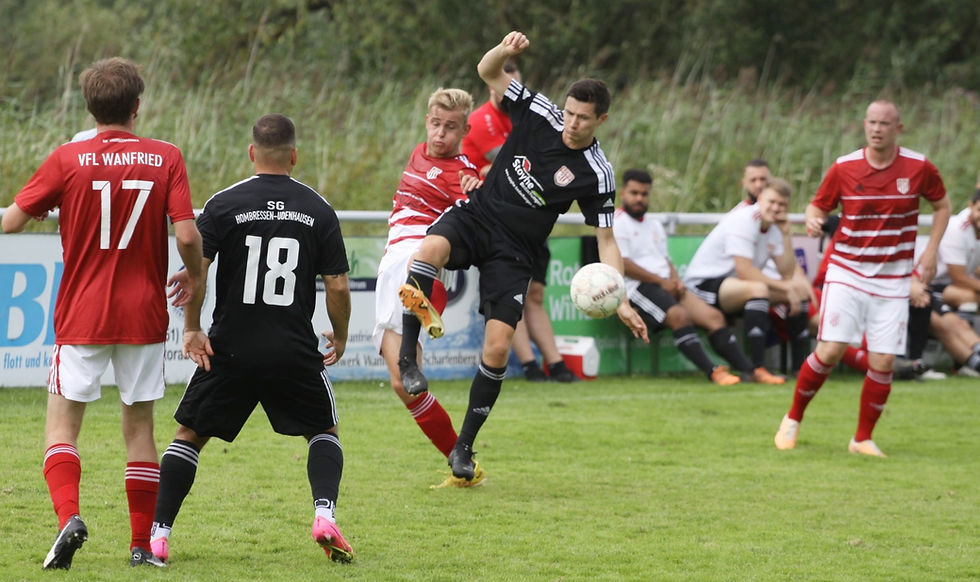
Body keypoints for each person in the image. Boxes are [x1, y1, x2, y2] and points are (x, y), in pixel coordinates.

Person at [397, 31, 648, 482]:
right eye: (569, 113)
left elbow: (607, 240)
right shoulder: (539, 111)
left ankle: (464, 449)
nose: (571, 123)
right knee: (427, 250)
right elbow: (487, 71)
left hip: (515, 254)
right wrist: (505, 51)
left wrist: (622, 297)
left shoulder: (597, 173)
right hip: (479, 216)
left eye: (583, 119)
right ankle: (408, 362)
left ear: (601, 119)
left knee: (496, 348)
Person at [1, 57, 205, 569]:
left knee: (61, 429)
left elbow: (11, 222)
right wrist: (196, 273)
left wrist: (52, 204)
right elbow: (185, 234)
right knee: (139, 430)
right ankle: (141, 547)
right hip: (142, 314)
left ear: (89, 107)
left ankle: (69, 517)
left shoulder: (67, 158)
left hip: (83, 312)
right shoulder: (167, 157)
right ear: (137, 107)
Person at [147, 114, 354, 564]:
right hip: (292, 349)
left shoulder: (225, 203)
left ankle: (159, 535)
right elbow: (337, 285)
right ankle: (324, 514)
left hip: (230, 348)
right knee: (323, 431)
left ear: (251, 153)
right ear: (294, 156)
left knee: (188, 436)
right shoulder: (318, 209)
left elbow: (196, 272)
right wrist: (339, 336)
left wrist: (192, 329)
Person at [774, 99, 950, 457]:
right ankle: (792, 419)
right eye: (871, 122)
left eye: (884, 123)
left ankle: (862, 439)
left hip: (894, 279)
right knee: (831, 350)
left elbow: (943, 205)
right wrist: (811, 218)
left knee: (883, 360)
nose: (876, 129)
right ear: (864, 125)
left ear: (897, 128)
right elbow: (817, 205)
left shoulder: (919, 167)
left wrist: (930, 251)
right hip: (847, 271)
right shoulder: (845, 167)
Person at [373, 87, 485, 486]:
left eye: (451, 127)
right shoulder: (418, 152)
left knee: (413, 274)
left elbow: (476, 189)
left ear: (464, 129)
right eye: (436, 124)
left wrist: (477, 184)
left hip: (419, 255)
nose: (441, 134)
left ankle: (426, 302)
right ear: (426, 122)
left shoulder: (462, 171)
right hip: (391, 264)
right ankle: (461, 460)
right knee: (403, 385)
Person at [461, 60, 576, 383]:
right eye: (504, 84)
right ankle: (529, 365)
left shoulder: (528, 117)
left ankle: (555, 363)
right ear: (492, 86)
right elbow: (496, 165)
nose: (509, 90)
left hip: (532, 220)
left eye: (516, 84)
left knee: (535, 294)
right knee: (514, 296)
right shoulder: (481, 121)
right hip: (497, 224)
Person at [614, 168, 764, 385]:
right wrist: (661, 281)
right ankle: (713, 372)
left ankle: (750, 371)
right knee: (679, 316)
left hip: (665, 284)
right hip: (637, 287)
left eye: (644, 194)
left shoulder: (654, 224)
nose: (639, 199)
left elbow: (664, 259)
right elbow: (624, 264)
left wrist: (675, 281)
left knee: (714, 317)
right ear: (623, 193)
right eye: (634, 193)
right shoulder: (618, 223)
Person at [682, 180, 804, 384]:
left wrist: (786, 234)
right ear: (761, 198)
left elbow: (787, 271)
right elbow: (745, 270)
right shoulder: (745, 219)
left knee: (800, 293)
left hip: (733, 286)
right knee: (758, 289)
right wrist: (786, 287)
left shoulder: (775, 227)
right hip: (703, 285)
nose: (776, 208)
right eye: (772, 201)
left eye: (782, 205)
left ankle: (801, 370)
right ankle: (757, 369)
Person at [936, 190, 980, 311]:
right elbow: (959, 278)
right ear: (971, 206)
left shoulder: (975, 228)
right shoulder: (957, 229)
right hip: (935, 285)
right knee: (971, 297)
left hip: (957, 283)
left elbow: (975, 268)